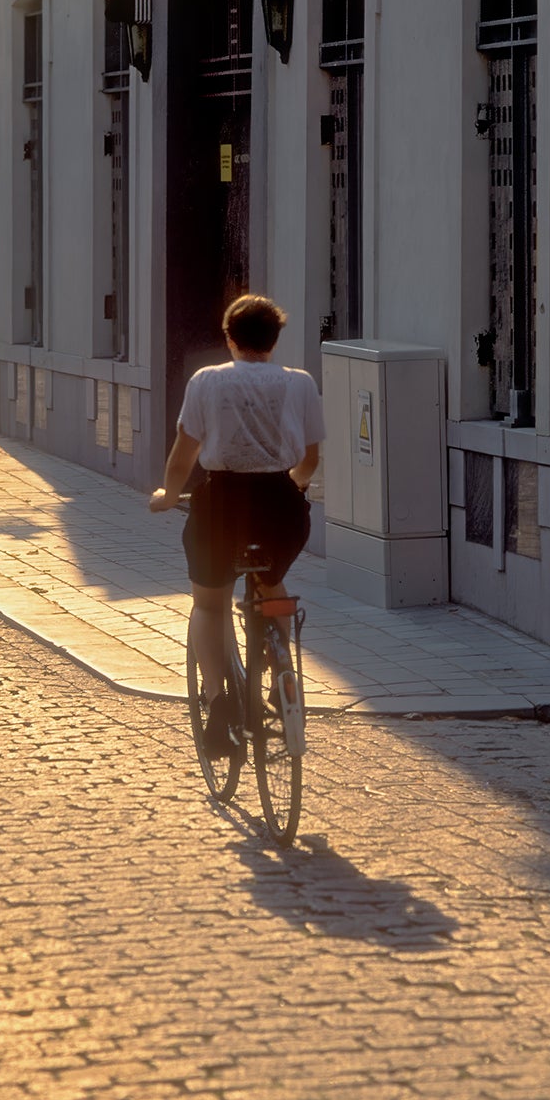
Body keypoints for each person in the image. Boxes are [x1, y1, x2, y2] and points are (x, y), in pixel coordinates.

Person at [150, 294, 325, 755]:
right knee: (274, 584)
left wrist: (169, 496)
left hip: (223, 501)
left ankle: (219, 701)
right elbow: (310, 460)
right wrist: (295, 487)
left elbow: (184, 451)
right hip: (280, 505)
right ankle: (282, 675)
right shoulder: (301, 383)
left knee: (208, 605)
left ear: (229, 337)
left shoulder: (207, 381)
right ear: (275, 339)